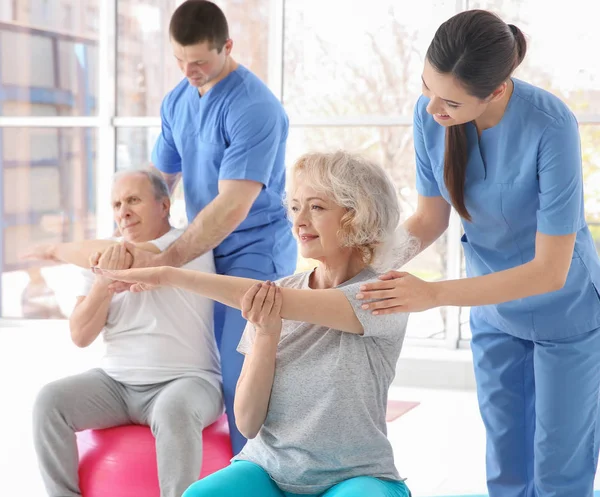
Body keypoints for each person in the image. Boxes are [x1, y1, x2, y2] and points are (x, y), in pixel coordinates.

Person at [356, 10, 600, 497]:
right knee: (506, 466)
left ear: (497, 91)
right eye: (426, 87)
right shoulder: (433, 114)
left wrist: (434, 294)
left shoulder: (551, 126)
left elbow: (549, 271)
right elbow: (429, 220)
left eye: (449, 101)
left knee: (558, 473)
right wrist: (363, 266)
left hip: (564, 311)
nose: (431, 109)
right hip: (493, 312)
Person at [93, 151, 414, 497]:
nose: (299, 221)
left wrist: (168, 274)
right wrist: (266, 335)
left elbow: (285, 302)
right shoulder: (273, 295)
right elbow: (246, 422)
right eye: (294, 207)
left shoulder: (384, 294)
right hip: (268, 470)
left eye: (316, 207)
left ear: (356, 216)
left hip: (357, 477)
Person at [120, 0, 296, 454]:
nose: (188, 70)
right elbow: (162, 179)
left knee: (244, 366)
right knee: (199, 360)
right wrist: (132, 220)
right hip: (201, 245)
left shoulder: (254, 107)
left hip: (253, 247)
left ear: (227, 47)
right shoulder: (178, 99)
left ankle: (257, 471)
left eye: (198, 61)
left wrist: (168, 259)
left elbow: (233, 205)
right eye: (179, 60)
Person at [27, 169, 223, 497]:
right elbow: (80, 335)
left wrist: (57, 250)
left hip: (188, 380)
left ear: (164, 206)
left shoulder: (188, 247)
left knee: (173, 411)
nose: (123, 211)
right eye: (116, 204)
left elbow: (138, 258)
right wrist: (103, 284)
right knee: (50, 402)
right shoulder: (101, 261)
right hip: (116, 385)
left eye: (133, 200)